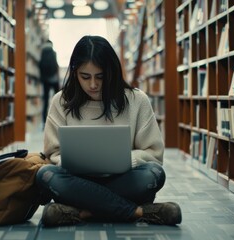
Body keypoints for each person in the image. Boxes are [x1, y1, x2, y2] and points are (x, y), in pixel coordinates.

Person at [35, 35, 182, 227]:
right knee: (45, 174)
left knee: (154, 174)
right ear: (74, 72)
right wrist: (72, 163)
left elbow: (153, 154)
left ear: (112, 72)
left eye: (101, 76)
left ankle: (83, 212)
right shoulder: (61, 101)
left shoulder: (137, 100)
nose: (93, 84)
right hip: (78, 179)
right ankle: (138, 212)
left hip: (123, 180)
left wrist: (126, 160)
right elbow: (53, 153)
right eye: (85, 77)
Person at [39, 39, 60, 126]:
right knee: (58, 99)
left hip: (45, 80)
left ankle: (44, 122)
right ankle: (59, 119)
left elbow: (40, 66)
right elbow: (56, 65)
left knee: (45, 101)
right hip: (54, 79)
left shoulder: (42, 53)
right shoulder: (53, 52)